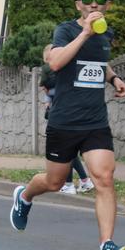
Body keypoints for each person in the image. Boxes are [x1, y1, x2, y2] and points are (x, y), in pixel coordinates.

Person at [9, 0, 125, 250]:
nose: (93, 4)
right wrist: (85, 33)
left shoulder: (106, 35)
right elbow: (56, 62)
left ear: (107, 5)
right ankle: (24, 196)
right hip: (64, 122)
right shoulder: (66, 30)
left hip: (95, 122)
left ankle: (106, 247)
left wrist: (114, 78)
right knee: (54, 182)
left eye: (99, 0)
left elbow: (100, 63)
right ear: (79, 4)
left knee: (104, 177)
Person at [40, 44, 94, 195]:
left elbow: (46, 88)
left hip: (62, 116)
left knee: (66, 151)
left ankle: (69, 184)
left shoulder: (52, 71)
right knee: (70, 153)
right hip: (72, 113)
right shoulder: (69, 71)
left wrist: (48, 95)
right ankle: (84, 181)